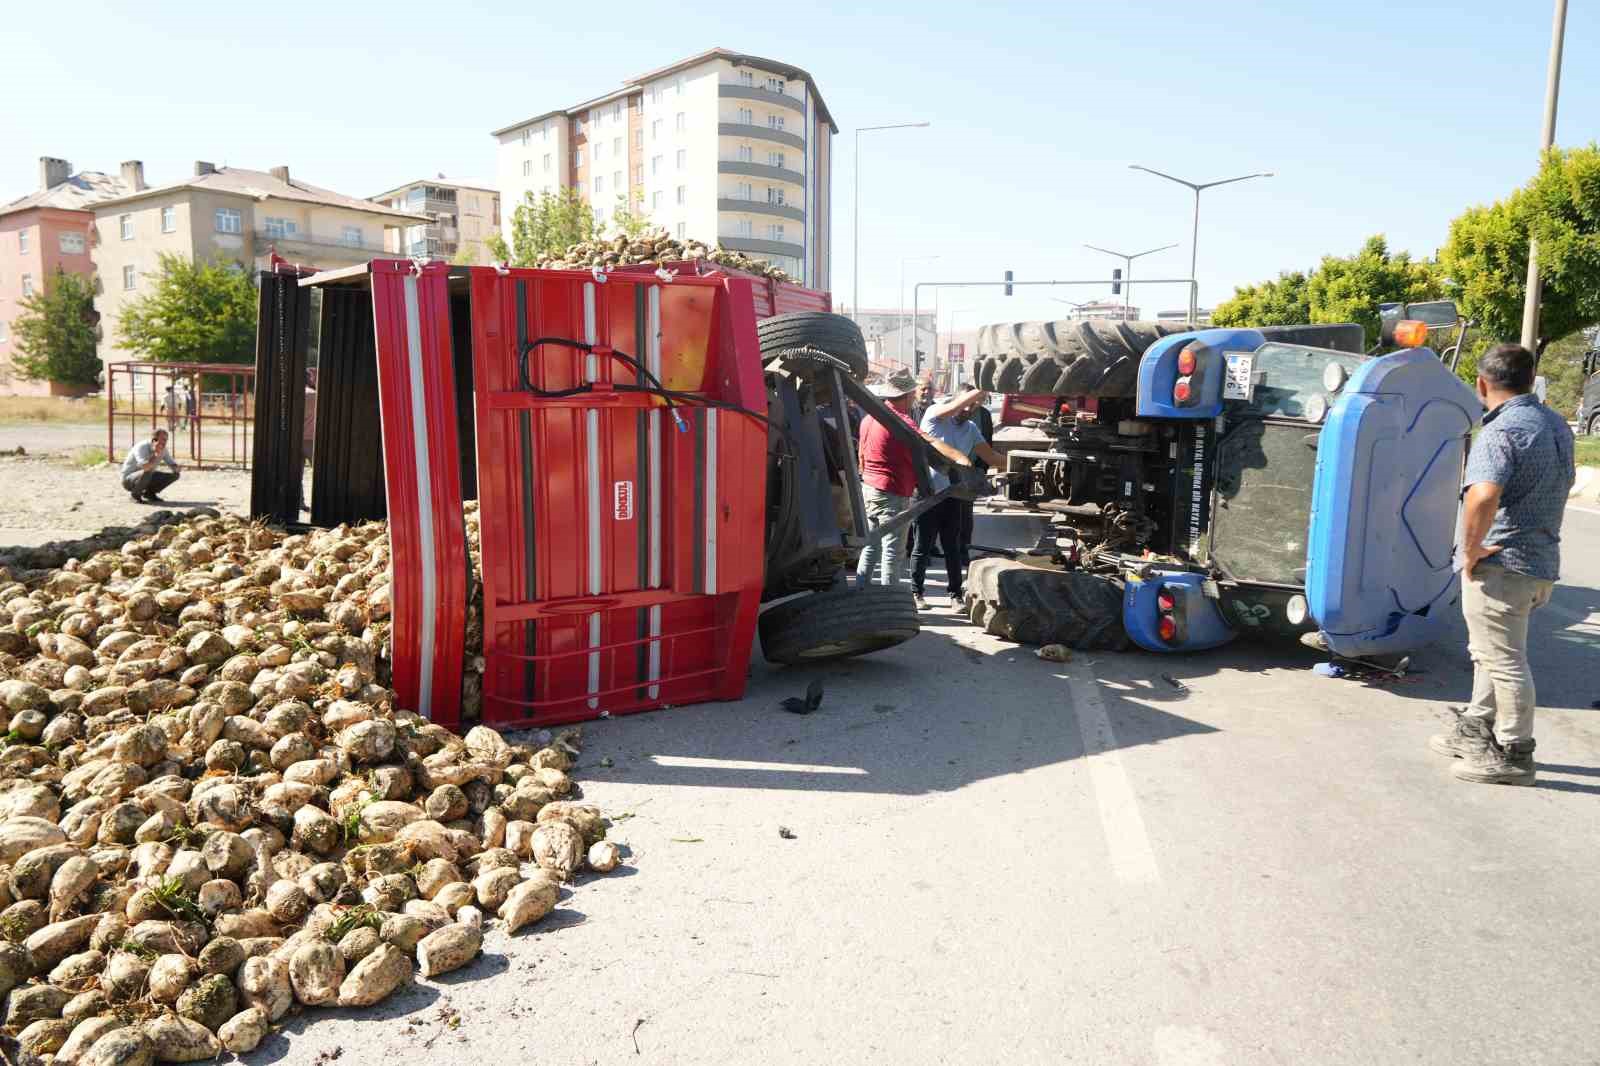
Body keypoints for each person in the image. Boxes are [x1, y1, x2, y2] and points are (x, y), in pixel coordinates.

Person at [1430, 343, 1574, 786]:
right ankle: (1476, 729)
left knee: (1505, 660)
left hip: (1502, 564)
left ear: (1481, 384)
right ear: (1531, 380)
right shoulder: (1554, 424)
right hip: (1539, 560)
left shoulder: (1501, 429)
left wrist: (1470, 550)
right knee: (1491, 653)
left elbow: (1483, 494)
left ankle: (1514, 753)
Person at [912, 389, 1004, 609]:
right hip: (928, 493)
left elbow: (990, 457)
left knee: (952, 546)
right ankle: (917, 593)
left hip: (954, 495)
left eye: (973, 406)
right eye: (965, 403)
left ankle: (955, 595)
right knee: (922, 546)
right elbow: (954, 407)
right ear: (957, 400)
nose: (967, 409)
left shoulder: (972, 429)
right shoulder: (935, 414)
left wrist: (1023, 462)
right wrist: (983, 387)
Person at [855, 371, 921, 589]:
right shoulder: (901, 421)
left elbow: (861, 453)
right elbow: (926, 447)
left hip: (870, 488)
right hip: (892, 491)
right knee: (893, 551)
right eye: (913, 394)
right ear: (908, 395)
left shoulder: (869, 419)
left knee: (872, 546)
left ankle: (861, 592)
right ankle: (889, 600)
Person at [958, 397, 996, 564]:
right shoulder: (951, 414)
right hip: (951, 471)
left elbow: (988, 442)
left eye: (977, 401)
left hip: (973, 471)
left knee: (966, 515)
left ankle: (963, 551)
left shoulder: (984, 415)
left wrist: (982, 470)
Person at [121, 429, 181, 503]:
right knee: (148, 471)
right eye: (163, 439)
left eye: (166, 440)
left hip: (146, 475)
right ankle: (135, 495)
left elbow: (171, 463)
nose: (165, 442)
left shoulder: (163, 449)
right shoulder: (141, 447)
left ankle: (149, 494)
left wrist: (175, 467)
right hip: (129, 480)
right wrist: (155, 455)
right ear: (154, 439)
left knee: (175, 475)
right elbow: (145, 467)